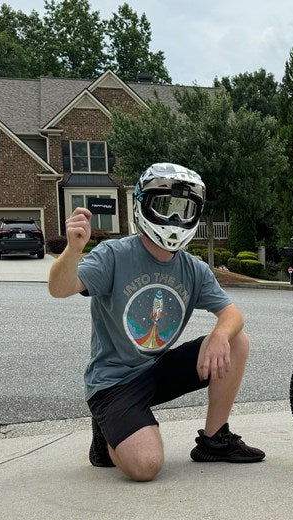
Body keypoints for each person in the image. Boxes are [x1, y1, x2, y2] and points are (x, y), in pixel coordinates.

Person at [49, 162, 264, 481]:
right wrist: (73, 250)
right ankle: (107, 434)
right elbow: (60, 288)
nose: (174, 218)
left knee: (236, 340)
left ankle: (214, 439)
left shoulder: (194, 269)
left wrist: (220, 334)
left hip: (156, 369)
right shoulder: (114, 255)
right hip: (113, 382)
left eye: (184, 209)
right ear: (142, 204)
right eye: (164, 206)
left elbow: (232, 314)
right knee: (146, 465)